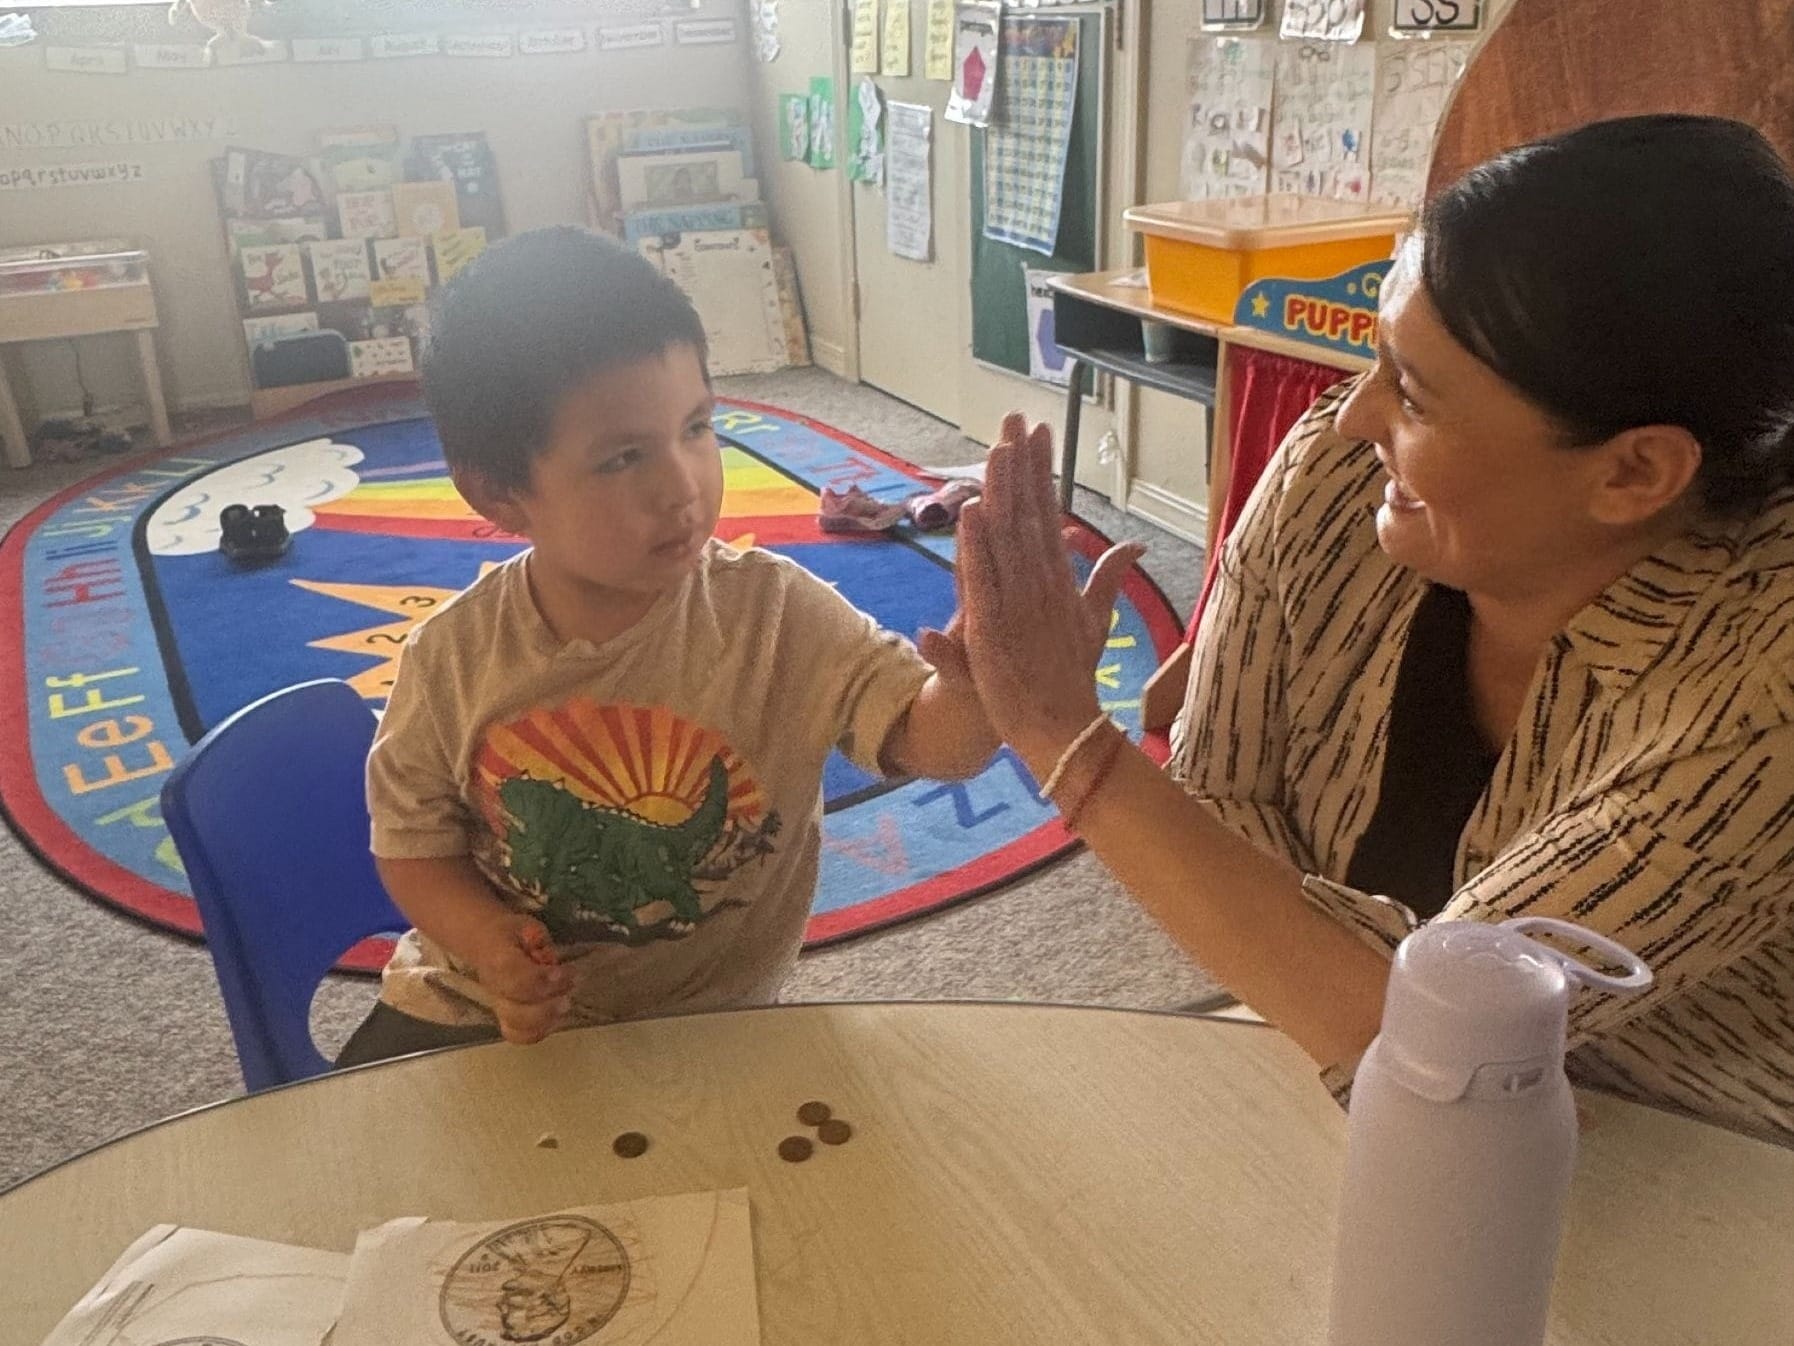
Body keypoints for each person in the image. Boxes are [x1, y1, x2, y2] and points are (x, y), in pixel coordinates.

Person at [955, 114, 1794, 1144]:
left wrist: (1064, 736)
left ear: (1633, 472)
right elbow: (1218, 789)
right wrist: (1336, 984)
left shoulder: (1764, 689)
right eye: (1379, 357)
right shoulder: (1340, 476)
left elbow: (1439, 1042)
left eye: (1417, 394)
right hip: (1349, 1104)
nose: (1354, 416)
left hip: (1701, 1177)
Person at [336, 226, 1024, 1066]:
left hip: (707, 1033)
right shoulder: (455, 658)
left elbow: (933, 743)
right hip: (475, 1014)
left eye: (697, 427)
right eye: (623, 456)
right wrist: (487, 941)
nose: (681, 485)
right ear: (501, 493)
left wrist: (991, 677)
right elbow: (414, 846)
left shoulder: (777, 614)